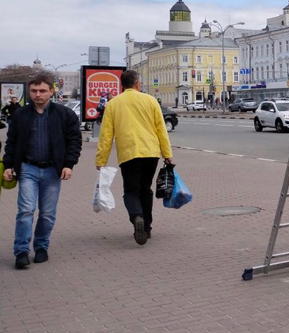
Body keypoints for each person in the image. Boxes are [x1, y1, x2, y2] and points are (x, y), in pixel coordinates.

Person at [2, 71, 82, 269]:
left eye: (42, 91)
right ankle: (21, 251)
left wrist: (68, 165)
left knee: (47, 213)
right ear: (29, 92)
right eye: (34, 91)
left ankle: (41, 247)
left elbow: (74, 141)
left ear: (51, 91)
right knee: (26, 210)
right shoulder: (20, 115)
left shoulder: (64, 115)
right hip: (28, 168)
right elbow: (11, 142)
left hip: (52, 171)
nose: (38, 94)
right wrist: (9, 165)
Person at [96, 70, 174, 245]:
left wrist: (101, 160)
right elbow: (161, 129)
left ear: (121, 85)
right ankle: (146, 227)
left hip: (129, 153)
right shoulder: (150, 100)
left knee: (131, 191)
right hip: (151, 152)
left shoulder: (113, 104)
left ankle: (136, 216)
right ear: (138, 83)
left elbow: (106, 135)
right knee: (146, 189)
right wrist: (167, 155)